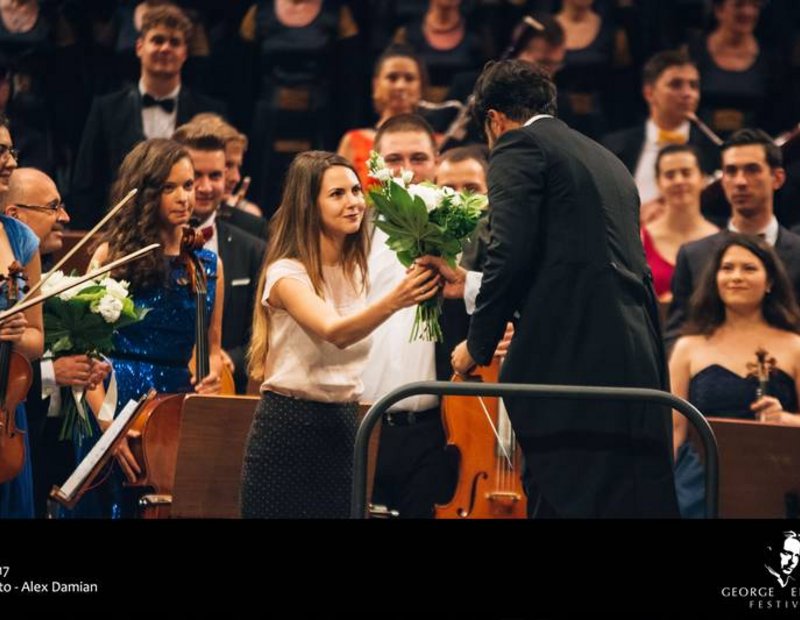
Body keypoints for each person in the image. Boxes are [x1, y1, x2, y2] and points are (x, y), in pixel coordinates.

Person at [424, 60, 679, 518]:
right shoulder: (605, 158)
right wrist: (468, 286)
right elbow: (567, 267)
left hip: (569, 369)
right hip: (634, 362)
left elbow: (510, 253)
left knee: (563, 501)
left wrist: (476, 347)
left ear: (494, 119)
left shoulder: (518, 145)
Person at [240, 150, 439, 518]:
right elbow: (334, 332)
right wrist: (396, 300)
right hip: (289, 427)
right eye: (337, 194)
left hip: (346, 425)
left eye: (356, 190)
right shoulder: (286, 273)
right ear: (308, 205)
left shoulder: (356, 269)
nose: (354, 203)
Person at [88, 138, 223, 516]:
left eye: (188, 185)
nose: (184, 197)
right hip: (116, 400)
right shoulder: (112, 255)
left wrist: (209, 377)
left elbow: (211, 348)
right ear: (146, 193)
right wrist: (108, 428)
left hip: (176, 405)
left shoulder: (209, 265)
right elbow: (86, 354)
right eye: (169, 187)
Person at [2, 167, 110, 518]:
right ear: (17, 213)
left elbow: (33, 339)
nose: (64, 217)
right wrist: (50, 372)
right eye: (52, 207)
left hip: (15, 428)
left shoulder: (30, 261)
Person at [670, 235, 800, 517]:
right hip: (701, 479)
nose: (736, 277)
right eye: (727, 268)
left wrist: (787, 420)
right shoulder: (687, 347)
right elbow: (675, 430)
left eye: (749, 268)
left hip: (776, 475)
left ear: (770, 282)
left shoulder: (795, 346)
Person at [72, 4, 225, 229]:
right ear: (139, 46)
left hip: (191, 233)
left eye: (174, 42)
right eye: (158, 40)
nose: (165, 48)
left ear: (185, 53)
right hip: (118, 232)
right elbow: (85, 185)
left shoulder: (209, 112)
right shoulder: (106, 109)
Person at [665, 128, 800, 350]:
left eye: (752, 170)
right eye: (731, 171)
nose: (740, 181)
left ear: (777, 178)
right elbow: (675, 336)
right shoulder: (693, 256)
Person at [172, 124, 266, 393]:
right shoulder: (145, 246)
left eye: (215, 175)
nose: (205, 187)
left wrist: (231, 359)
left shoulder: (253, 245)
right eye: (194, 177)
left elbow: (265, 329)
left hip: (225, 390)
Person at [602, 50, 720, 223]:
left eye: (693, 86)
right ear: (649, 93)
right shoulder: (614, 146)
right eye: (676, 84)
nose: (688, 94)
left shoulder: (712, 151)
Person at [0, 118, 44, 519]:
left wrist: (13, 336)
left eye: (11, 151)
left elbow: (36, 339)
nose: (9, 162)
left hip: (6, 414)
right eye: (0, 151)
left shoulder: (21, 240)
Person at [337, 44, 426, 187]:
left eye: (409, 78)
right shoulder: (353, 141)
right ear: (376, 85)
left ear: (421, 87)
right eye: (392, 77)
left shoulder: (437, 141)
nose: (400, 86)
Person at [642, 145, 718, 301]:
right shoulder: (639, 239)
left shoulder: (721, 240)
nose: (678, 181)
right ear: (658, 183)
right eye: (670, 175)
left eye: (686, 173)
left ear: (703, 179)